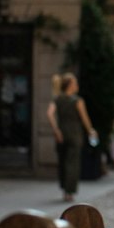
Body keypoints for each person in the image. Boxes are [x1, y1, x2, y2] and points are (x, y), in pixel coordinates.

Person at [47, 72, 98, 202]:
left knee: (63, 162)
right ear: (70, 85)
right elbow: (84, 118)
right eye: (75, 83)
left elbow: (49, 114)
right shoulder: (77, 101)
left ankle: (64, 189)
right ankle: (69, 191)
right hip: (75, 134)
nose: (77, 85)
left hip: (61, 134)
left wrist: (56, 130)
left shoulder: (57, 99)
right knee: (73, 163)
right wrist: (91, 130)